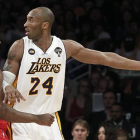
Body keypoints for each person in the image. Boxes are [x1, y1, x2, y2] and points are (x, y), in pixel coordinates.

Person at [2, 7, 140, 140]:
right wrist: (7, 86)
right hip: (21, 117)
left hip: (49, 118)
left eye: (30, 20)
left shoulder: (64, 47)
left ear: (44, 25)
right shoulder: (20, 46)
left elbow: (106, 58)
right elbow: (6, 76)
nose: (25, 24)